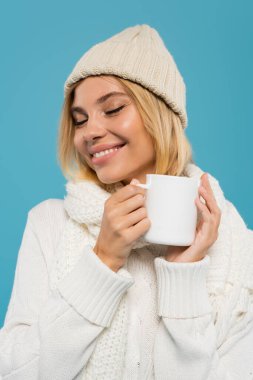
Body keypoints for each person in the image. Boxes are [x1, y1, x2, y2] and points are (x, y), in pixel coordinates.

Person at [0, 24, 253, 380]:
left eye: (114, 108)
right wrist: (102, 262)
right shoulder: (49, 224)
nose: (90, 131)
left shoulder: (236, 246)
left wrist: (183, 274)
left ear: (160, 113)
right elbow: (14, 373)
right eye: (80, 119)